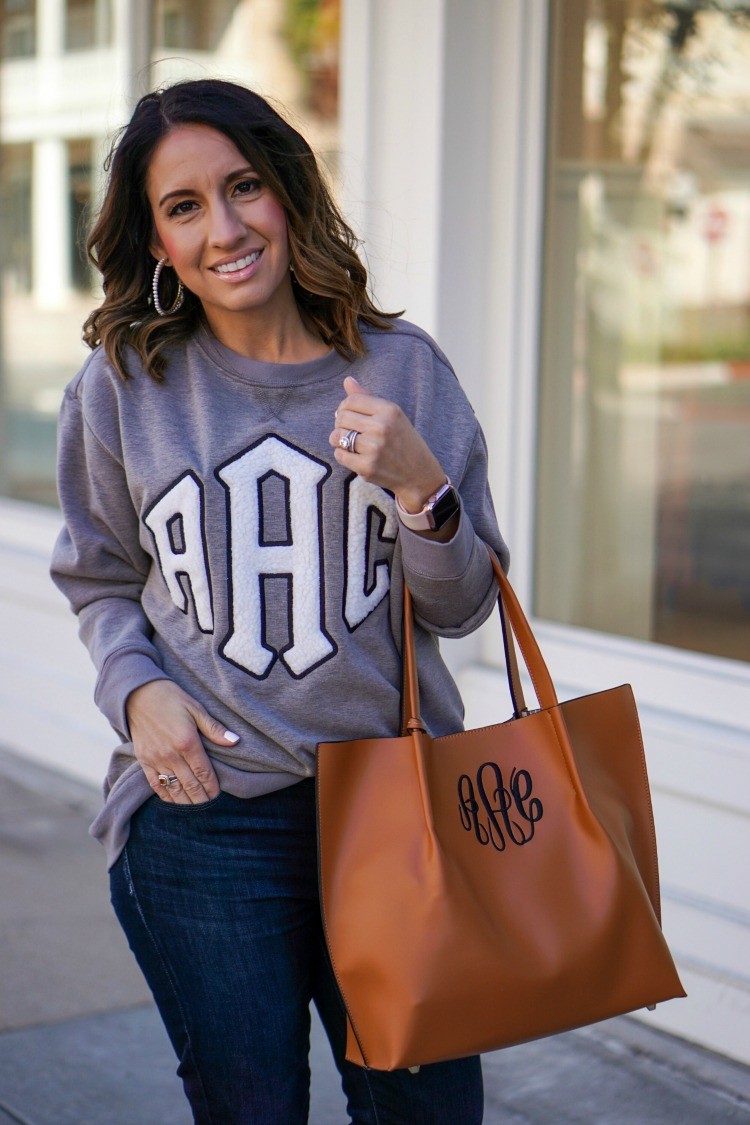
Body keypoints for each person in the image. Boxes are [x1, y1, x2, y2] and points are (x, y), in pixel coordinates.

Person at [50, 78, 509, 1124]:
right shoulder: (122, 385)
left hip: (398, 819)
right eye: (184, 206)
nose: (224, 228)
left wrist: (417, 486)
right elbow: (98, 576)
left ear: (289, 193)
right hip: (206, 821)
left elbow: (464, 608)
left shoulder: (402, 371)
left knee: (428, 1116)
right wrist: (135, 694)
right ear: (157, 242)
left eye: (244, 187)